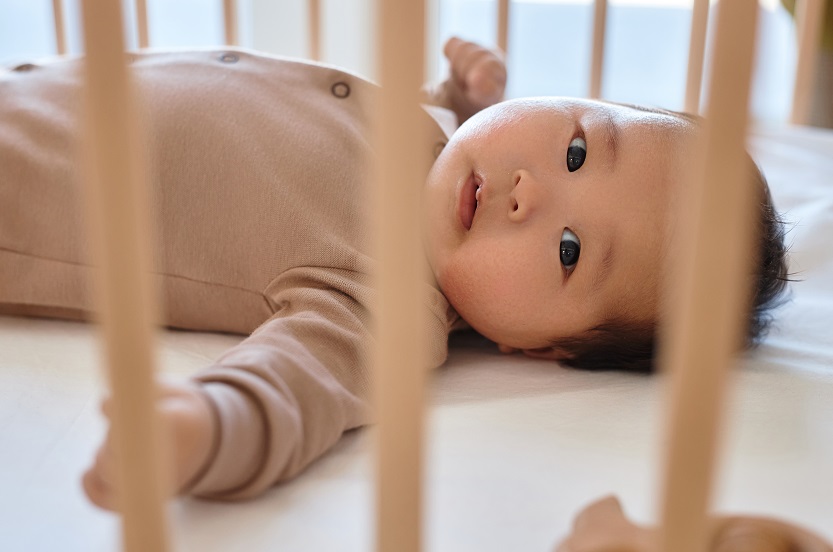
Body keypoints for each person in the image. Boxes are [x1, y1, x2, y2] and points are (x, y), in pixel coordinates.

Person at [0, 38, 788, 511]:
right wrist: (456, 98)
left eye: (570, 250)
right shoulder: (430, 143)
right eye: (577, 148)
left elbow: (295, 386)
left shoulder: (388, 301)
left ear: (543, 348)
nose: (530, 192)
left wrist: (203, 428)